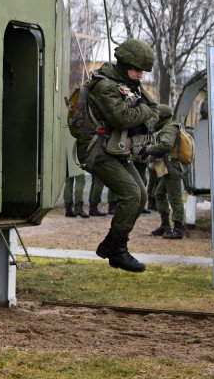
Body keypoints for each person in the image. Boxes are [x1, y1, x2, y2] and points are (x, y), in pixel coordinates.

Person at [75, 39, 158, 272]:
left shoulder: (131, 84)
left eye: (142, 71)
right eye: (137, 69)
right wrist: (143, 112)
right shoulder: (105, 86)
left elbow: (156, 112)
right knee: (131, 194)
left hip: (118, 149)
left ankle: (110, 245)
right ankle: (118, 250)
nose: (140, 75)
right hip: (97, 150)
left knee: (141, 196)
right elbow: (123, 118)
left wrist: (143, 116)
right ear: (123, 64)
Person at [145, 104, 186, 239]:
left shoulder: (169, 129)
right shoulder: (169, 126)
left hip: (172, 168)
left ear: (162, 118)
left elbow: (166, 145)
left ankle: (178, 229)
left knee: (175, 198)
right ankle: (165, 225)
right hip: (168, 167)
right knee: (159, 193)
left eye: (157, 118)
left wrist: (148, 149)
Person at [64, 143, 88, 217]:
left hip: (66, 155)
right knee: (81, 180)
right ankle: (78, 208)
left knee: (68, 182)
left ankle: (68, 209)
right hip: (75, 155)